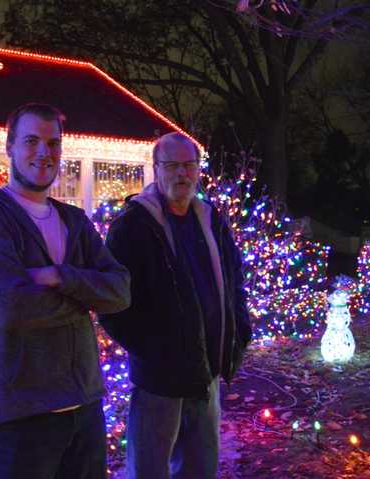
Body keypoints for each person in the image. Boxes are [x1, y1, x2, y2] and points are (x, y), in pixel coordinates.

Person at [0, 103, 130, 479]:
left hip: (83, 409)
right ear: (10, 147)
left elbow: (120, 291)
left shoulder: (74, 220)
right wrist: (85, 299)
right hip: (15, 415)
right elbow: (9, 307)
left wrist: (59, 276)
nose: (44, 152)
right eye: (31, 140)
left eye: (53, 143)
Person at [99, 132, 252, 479]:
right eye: (172, 165)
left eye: (189, 165)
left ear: (198, 170)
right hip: (159, 381)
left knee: (200, 467)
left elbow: (234, 281)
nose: (181, 173)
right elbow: (112, 304)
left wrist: (239, 335)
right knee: (150, 470)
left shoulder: (211, 220)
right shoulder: (133, 226)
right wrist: (153, 352)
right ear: (156, 169)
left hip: (206, 373)